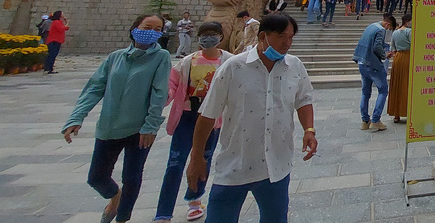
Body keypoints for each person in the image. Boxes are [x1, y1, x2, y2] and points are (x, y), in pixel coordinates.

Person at [185, 13, 316, 223]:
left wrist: (309, 130)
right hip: (236, 164)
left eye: (291, 37)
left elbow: (304, 100)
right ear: (263, 36)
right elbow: (208, 114)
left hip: (276, 165)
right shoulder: (234, 67)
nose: (287, 43)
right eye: (282, 36)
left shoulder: (295, 66)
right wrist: (196, 158)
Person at [62, 14, 171, 223]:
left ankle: (122, 218)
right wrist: (76, 117)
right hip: (109, 127)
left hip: (140, 129)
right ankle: (115, 197)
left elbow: (159, 93)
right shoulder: (115, 57)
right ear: (134, 28)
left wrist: (151, 125)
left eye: (158, 30)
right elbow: (95, 88)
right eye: (148, 27)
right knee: (96, 177)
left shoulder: (161, 57)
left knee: (131, 178)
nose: (153, 32)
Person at [154, 22, 233, 223]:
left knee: (202, 160)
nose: (208, 38)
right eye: (204, 35)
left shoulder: (228, 61)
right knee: (175, 162)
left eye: (212, 34)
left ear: (220, 36)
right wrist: (158, 102)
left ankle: (194, 200)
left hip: (212, 119)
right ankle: (163, 211)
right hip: (188, 116)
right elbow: (171, 86)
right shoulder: (188, 61)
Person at [352, 15, 397, 131]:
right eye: (389, 28)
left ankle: (365, 120)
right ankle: (376, 119)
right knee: (383, 90)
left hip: (362, 62)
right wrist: (384, 55)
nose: (387, 30)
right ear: (387, 24)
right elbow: (377, 46)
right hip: (372, 64)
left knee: (365, 92)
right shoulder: (380, 29)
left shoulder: (371, 26)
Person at [387, 14, 412, 124]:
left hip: (397, 58)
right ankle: (408, 111)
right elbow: (414, 45)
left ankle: (396, 114)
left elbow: (392, 48)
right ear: (407, 21)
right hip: (407, 57)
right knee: (407, 84)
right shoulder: (409, 32)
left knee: (397, 85)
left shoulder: (395, 32)